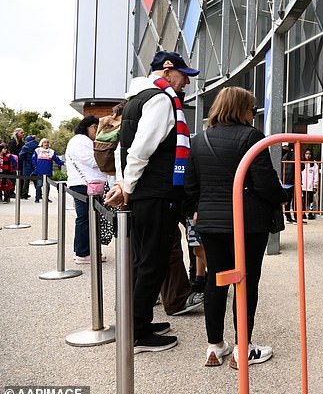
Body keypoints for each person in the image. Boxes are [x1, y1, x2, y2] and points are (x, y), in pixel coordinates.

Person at [104, 50, 200, 353]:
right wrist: (128, 186)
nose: (186, 82)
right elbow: (141, 148)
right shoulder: (160, 100)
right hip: (156, 193)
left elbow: (125, 149)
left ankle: (138, 322)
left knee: (142, 260)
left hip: (145, 192)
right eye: (184, 75)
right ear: (168, 71)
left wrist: (124, 183)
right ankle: (137, 333)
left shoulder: (136, 99)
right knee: (152, 263)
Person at [184, 86, 287, 368]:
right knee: (246, 281)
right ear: (242, 109)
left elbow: (190, 186)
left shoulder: (199, 140)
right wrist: (284, 195)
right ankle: (244, 348)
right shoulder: (251, 137)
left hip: (211, 223)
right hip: (248, 223)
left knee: (218, 280)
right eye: (252, 109)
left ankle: (214, 347)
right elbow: (265, 183)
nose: (253, 115)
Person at [65, 116, 107, 264]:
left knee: (89, 219)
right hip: (84, 185)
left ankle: (87, 251)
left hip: (86, 184)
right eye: (95, 127)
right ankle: (82, 253)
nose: (97, 130)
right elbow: (93, 160)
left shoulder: (83, 141)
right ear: (86, 127)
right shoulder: (80, 140)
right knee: (85, 219)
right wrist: (107, 157)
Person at [32, 138, 64, 203]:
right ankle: (37, 198)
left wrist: (64, 163)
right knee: (39, 185)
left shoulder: (51, 151)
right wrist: (35, 167)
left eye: (47, 142)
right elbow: (33, 159)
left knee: (47, 186)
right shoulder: (37, 150)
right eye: (44, 142)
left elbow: (57, 160)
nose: (46, 144)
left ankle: (46, 198)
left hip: (48, 171)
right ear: (41, 143)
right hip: (39, 171)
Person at [300, 148, 319, 220]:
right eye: (306, 154)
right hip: (303, 185)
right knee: (303, 199)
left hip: (310, 185)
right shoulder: (302, 162)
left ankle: (310, 213)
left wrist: (315, 184)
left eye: (309, 154)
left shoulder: (314, 164)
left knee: (311, 199)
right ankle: (303, 212)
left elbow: (316, 175)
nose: (308, 155)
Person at [7, 128, 25, 197]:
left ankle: (21, 193)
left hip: (21, 162)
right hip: (14, 162)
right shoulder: (12, 142)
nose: (23, 134)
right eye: (21, 132)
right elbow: (10, 153)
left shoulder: (22, 142)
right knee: (13, 177)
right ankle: (11, 192)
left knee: (21, 177)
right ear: (17, 133)